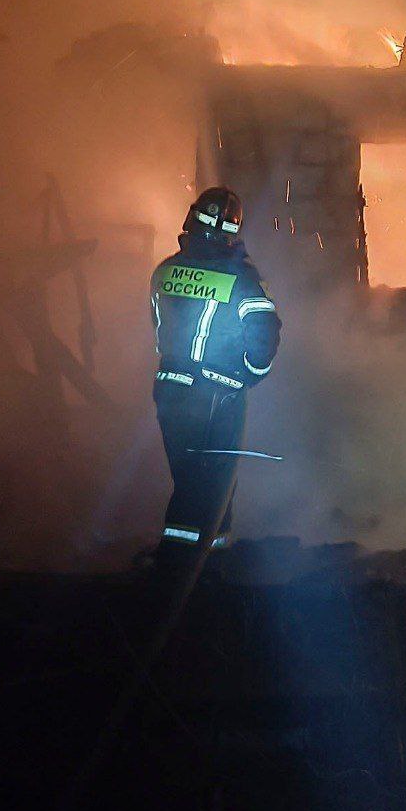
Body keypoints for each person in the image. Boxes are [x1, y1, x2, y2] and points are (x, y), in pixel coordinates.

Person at [149, 186, 280, 568]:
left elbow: (158, 327)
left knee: (188, 476)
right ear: (233, 231)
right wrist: (250, 375)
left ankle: (205, 559)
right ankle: (181, 570)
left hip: (169, 388)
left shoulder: (166, 269)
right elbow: (264, 332)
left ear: (191, 220)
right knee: (212, 482)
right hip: (216, 396)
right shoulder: (241, 278)